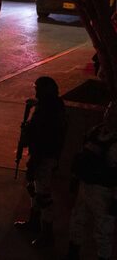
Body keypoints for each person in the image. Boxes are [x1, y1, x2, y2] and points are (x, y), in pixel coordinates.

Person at [14, 76, 67, 248]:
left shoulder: (48, 111)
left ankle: (46, 232)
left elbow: (43, 137)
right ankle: (35, 221)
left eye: (38, 89)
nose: (36, 93)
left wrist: (34, 162)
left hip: (44, 156)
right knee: (36, 189)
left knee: (43, 195)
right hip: (44, 154)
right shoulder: (51, 105)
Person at [66, 105, 117, 260]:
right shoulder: (95, 131)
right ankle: (73, 254)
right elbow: (82, 155)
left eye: (114, 114)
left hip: (104, 191)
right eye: (108, 111)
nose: (109, 116)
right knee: (77, 220)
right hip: (86, 185)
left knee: (103, 231)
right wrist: (76, 179)